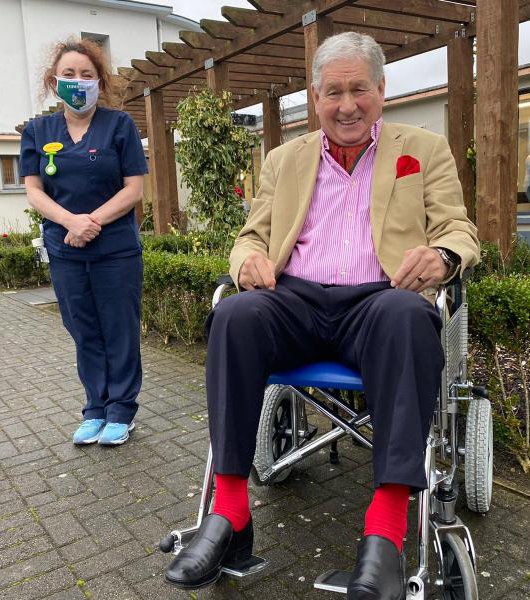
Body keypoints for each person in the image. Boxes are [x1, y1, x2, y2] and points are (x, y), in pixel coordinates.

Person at [164, 32, 479, 600]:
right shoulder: (284, 160)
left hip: (380, 299)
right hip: (298, 299)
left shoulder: (424, 150)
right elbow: (249, 237)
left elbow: (459, 230)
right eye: (333, 92)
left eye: (359, 88)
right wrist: (249, 262)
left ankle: (384, 534)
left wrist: (443, 255)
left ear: (381, 91)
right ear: (315, 99)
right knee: (235, 316)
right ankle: (230, 513)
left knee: (408, 318)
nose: (347, 104)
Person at [20, 39, 148, 446]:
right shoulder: (37, 131)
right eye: (70, 74)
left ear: (100, 81)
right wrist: (70, 222)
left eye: (87, 75)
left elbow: (134, 188)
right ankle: (94, 408)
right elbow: (34, 191)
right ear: (53, 81)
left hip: (115, 250)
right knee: (83, 329)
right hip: (65, 251)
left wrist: (91, 221)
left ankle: (121, 411)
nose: (79, 82)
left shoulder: (119, 125)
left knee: (119, 329)